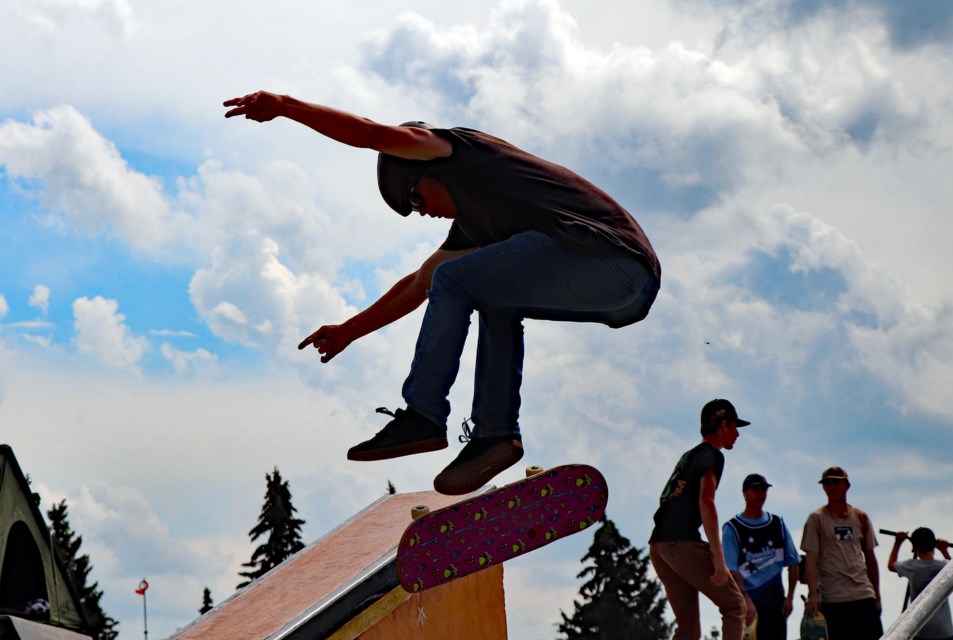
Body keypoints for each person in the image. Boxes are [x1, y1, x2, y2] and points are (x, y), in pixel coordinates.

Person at [223, 92, 661, 495]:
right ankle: (495, 435)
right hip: (624, 286)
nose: (423, 213)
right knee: (489, 294)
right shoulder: (474, 228)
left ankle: (424, 416)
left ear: (421, 166)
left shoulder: (455, 151)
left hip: (607, 255)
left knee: (457, 278)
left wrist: (285, 105)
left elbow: (370, 133)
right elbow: (419, 284)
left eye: (415, 199)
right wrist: (348, 331)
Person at [649, 399, 749, 640]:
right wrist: (718, 555)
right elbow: (706, 501)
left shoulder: (688, 456)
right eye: (735, 427)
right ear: (723, 425)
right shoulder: (712, 455)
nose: (737, 434)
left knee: (688, 630)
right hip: (681, 545)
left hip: (658, 547)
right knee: (735, 606)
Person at [800, 466, 883, 640]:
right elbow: (811, 559)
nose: (832, 487)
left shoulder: (861, 517)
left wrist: (877, 595)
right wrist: (813, 594)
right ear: (823, 488)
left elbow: (870, 558)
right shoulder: (816, 519)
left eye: (836, 482)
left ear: (846, 485)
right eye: (828, 483)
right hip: (832, 598)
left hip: (862, 594)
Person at [721, 473, 800, 640]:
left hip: (776, 597)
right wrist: (746, 600)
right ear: (745, 493)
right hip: (750, 603)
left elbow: (793, 562)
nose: (760, 493)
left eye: (763, 489)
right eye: (754, 489)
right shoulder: (732, 528)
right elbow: (731, 571)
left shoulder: (777, 523)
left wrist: (790, 597)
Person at [887, 527, 953, 640]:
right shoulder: (943, 566)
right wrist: (944, 550)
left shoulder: (911, 566)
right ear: (933, 547)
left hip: (920, 629)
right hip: (943, 630)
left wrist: (897, 542)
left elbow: (891, 565)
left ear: (915, 548)